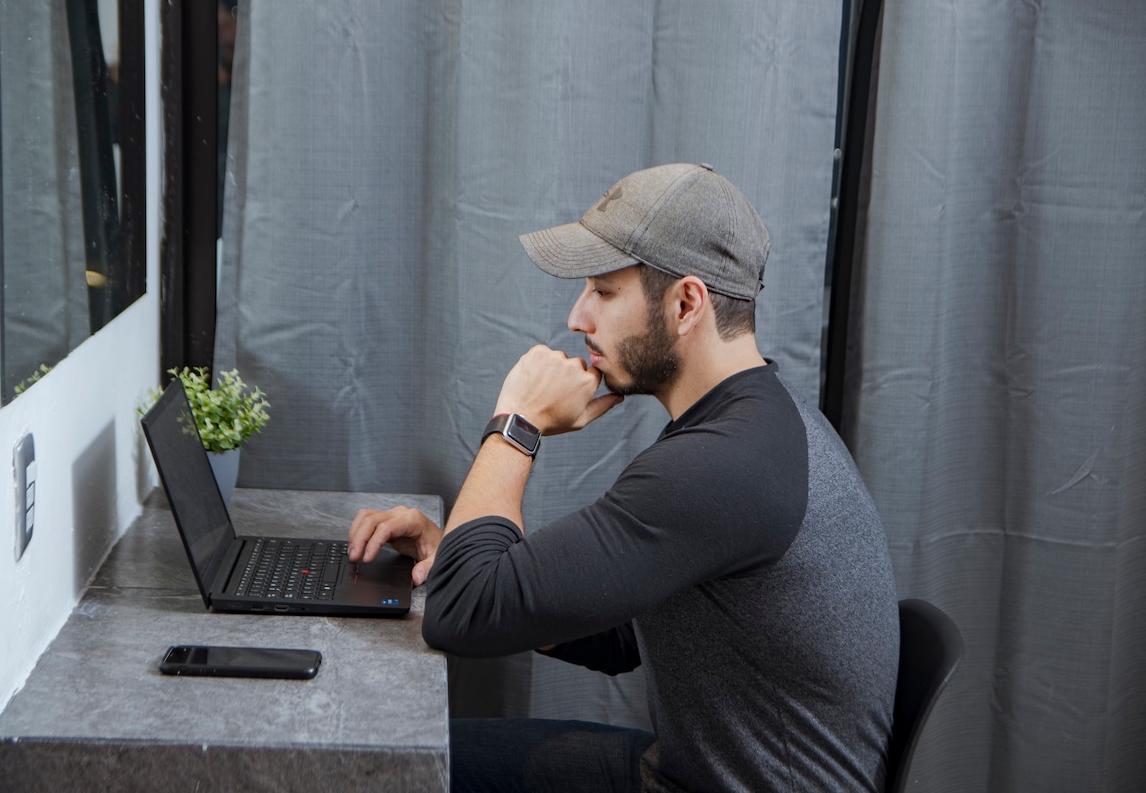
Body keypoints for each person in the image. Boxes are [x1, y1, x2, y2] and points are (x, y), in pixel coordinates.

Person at [349, 163, 900, 792]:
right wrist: (456, 557)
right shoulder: (754, 423)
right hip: (683, 772)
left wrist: (516, 424)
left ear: (686, 303)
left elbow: (459, 614)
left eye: (603, 291)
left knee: (379, 775)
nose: (577, 316)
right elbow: (619, 635)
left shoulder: (721, 465)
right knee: (406, 760)